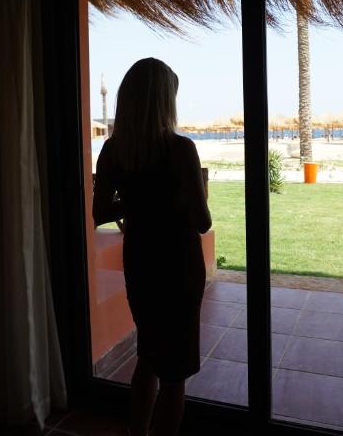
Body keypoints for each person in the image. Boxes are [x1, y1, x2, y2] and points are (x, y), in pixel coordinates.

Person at [92, 58, 212, 436]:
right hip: (178, 267)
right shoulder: (180, 149)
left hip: (141, 263)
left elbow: (99, 213)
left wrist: (135, 201)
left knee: (147, 356)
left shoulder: (113, 150)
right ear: (163, 100)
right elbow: (203, 222)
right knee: (174, 375)